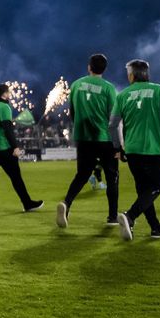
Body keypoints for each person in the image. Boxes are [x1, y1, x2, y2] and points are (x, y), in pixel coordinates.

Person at [109, 59, 160, 240]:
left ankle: (156, 228)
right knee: (155, 188)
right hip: (155, 148)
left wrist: (118, 148)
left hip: (132, 150)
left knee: (144, 190)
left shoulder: (122, 96)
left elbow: (112, 125)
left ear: (132, 74)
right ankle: (130, 216)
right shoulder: (159, 90)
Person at [56, 53, 119, 229]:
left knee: (82, 175)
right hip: (104, 138)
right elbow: (113, 118)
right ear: (104, 69)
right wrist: (118, 145)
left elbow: (72, 113)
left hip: (83, 138)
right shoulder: (108, 88)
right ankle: (112, 217)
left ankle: (66, 204)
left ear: (89, 67)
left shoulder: (76, 85)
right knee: (112, 176)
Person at [0, 83, 43, 214]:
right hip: (2, 148)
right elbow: (7, 128)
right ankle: (27, 204)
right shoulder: (4, 106)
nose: (10, 95)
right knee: (16, 177)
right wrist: (15, 147)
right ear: (4, 94)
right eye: (8, 92)